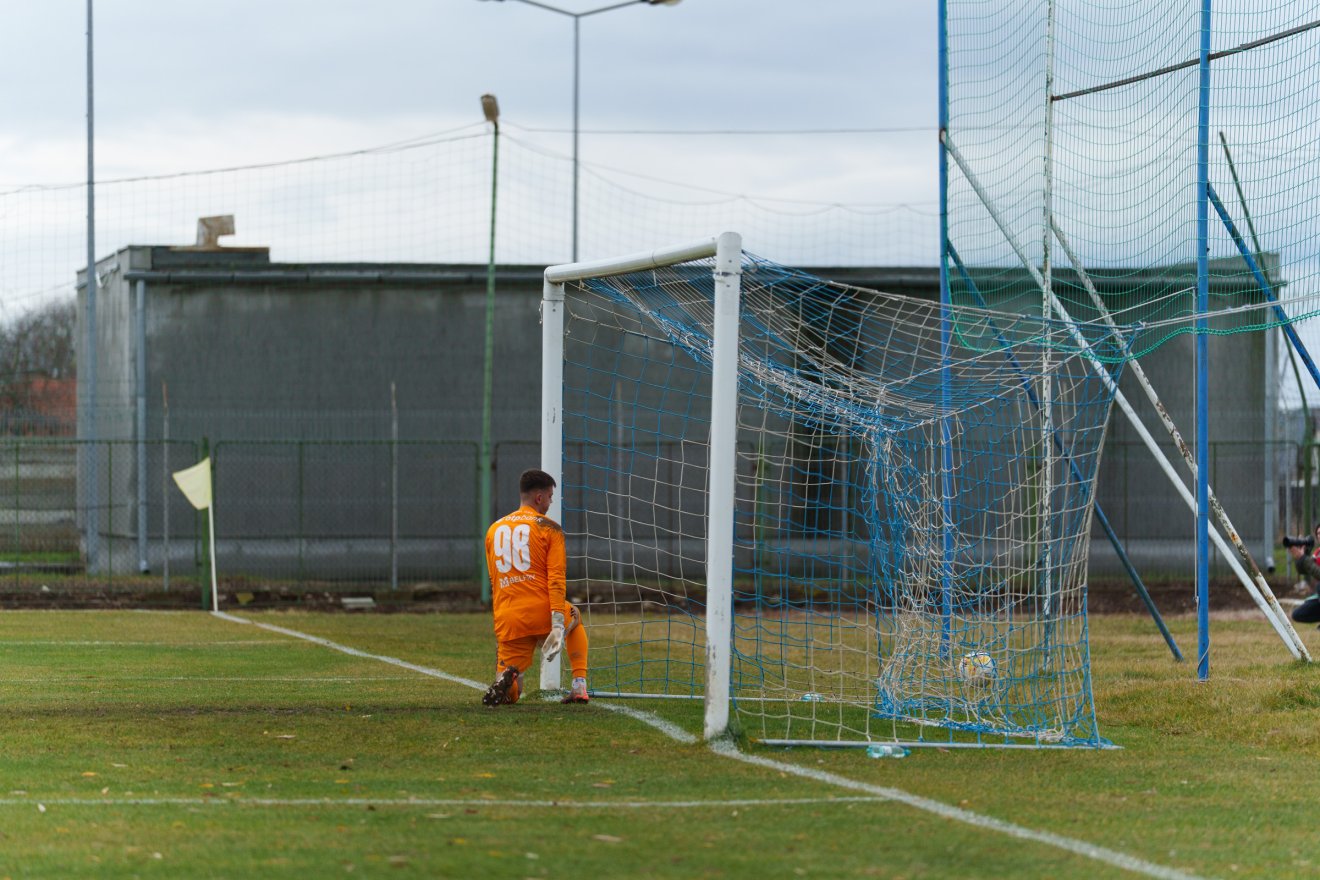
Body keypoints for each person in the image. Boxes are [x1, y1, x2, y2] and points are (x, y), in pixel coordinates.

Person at [481, 468, 589, 706]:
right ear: (539, 497)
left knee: (514, 694)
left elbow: (494, 580)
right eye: (550, 497)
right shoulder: (549, 528)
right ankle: (580, 686)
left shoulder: (493, 529)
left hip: (509, 618)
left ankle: (506, 680)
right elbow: (556, 577)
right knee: (577, 618)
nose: (551, 502)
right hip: (543, 612)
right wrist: (558, 622)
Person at [1285, 522, 1320, 625]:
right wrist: (1300, 556)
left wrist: (1304, 558)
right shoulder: (1317, 553)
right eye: (1318, 533)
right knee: (1298, 614)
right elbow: (1304, 570)